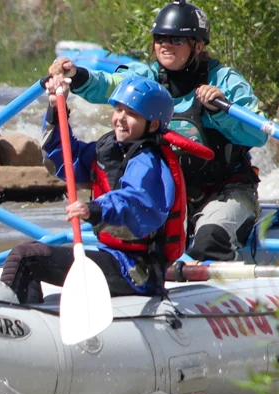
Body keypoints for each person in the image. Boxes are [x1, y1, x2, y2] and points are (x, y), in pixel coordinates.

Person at [46, 0, 267, 262]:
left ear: (197, 45)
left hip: (224, 193)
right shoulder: (145, 77)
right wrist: (76, 75)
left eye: (176, 39)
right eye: (160, 38)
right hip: (167, 196)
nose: (165, 44)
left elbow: (258, 134)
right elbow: (109, 85)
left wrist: (220, 111)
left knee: (208, 241)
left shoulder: (225, 82)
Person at [0, 76, 186, 304]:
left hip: (137, 271)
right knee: (29, 254)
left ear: (153, 124)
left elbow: (136, 202)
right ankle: (26, 317)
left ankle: (10, 324)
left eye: (132, 114)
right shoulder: (111, 151)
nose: (120, 119)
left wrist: (94, 209)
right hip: (113, 256)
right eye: (118, 110)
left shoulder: (149, 161)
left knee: (26, 258)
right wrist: (56, 109)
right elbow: (62, 158)